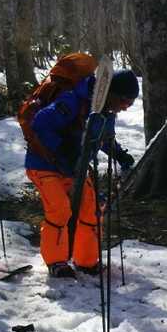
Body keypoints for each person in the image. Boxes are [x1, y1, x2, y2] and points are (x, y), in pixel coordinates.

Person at [25, 66, 138, 278]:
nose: (125, 108)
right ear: (112, 93)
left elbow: (104, 138)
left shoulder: (107, 111)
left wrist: (120, 155)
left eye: (130, 104)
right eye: (125, 102)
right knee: (59, 210)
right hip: (44, 165)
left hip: (75, 169)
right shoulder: (72, 101)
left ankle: (86, 261)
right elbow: (39, 123)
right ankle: (56, 261)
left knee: (92, 211)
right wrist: (61, 147)